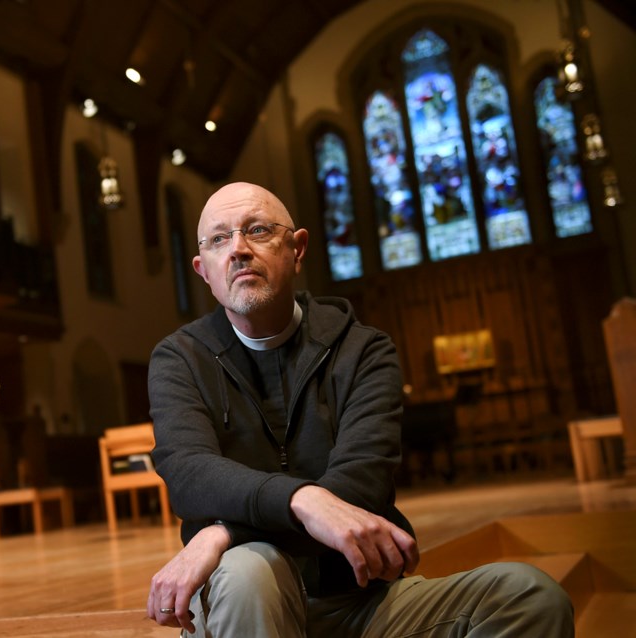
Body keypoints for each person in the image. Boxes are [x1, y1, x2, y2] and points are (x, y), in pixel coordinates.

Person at [145, 182, 574, 637]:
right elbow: (190, 473)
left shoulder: (364, 350)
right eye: (219, 239)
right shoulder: (180, 360)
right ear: (203, 269)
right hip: (245, 600)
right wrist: (303, 500)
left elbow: (361, 485)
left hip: (360, 599)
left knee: (531, 596)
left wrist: (224, 533)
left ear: (297, 247)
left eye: (257, 230)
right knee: (249, 570)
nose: (239, 250)